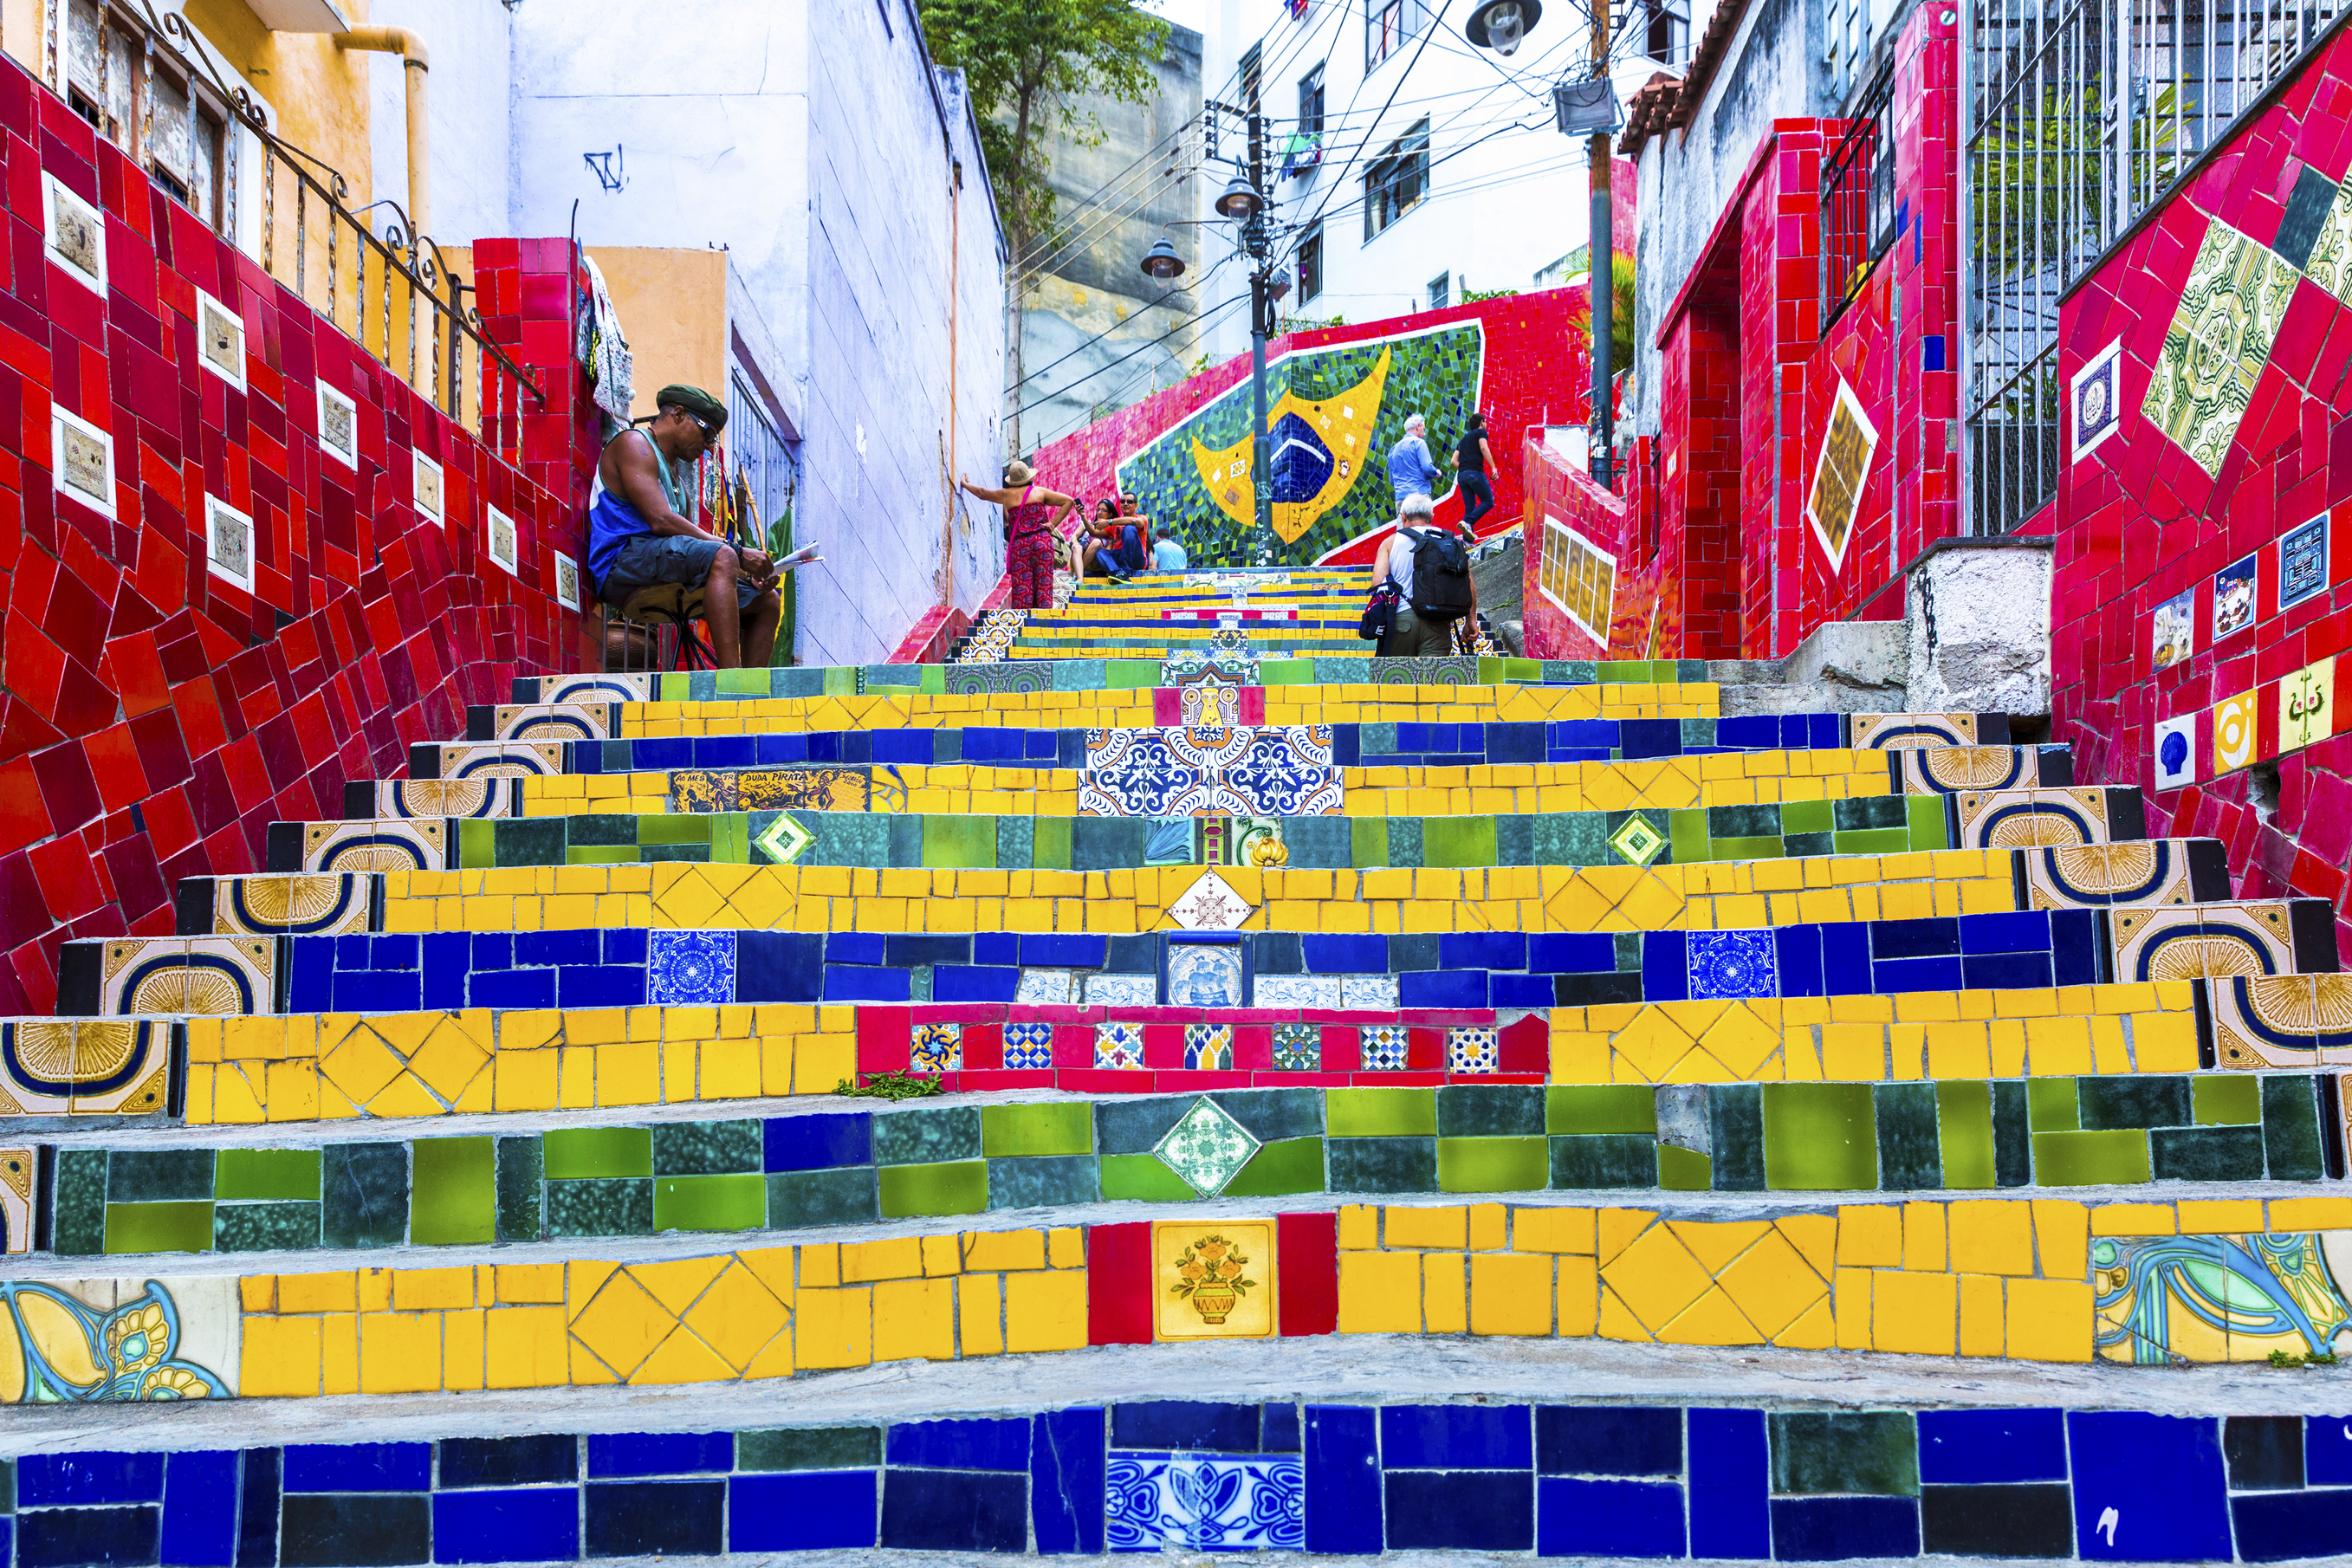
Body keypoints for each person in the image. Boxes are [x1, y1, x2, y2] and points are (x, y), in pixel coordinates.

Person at [589, 384, 781, 668]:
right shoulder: (635, 444)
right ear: (678, 415)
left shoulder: (679, 483)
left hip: (656, 564)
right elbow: (661, 520)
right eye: (708, 433)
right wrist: (737, 554)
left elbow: (694, 549)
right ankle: (732, 683)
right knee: (725, 554)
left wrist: (743, 575)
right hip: (620, 565)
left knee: (768, 601)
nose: (708, 445)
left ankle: (753, 690)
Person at [1369, 494, 1475, 657]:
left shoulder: (1390, 543)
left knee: (1399, 679)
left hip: (1401, 621)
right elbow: (1468, 583)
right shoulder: (1450, 541)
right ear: (1432, 516)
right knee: (1433, 681)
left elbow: (1378, 585)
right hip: (1438, 622)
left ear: (1403, 517)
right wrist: (1471, 621)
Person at [962, 461, 1076, 609]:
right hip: (1042, 543)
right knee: (1044, 586)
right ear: (1028, 476)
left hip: (1020, 547)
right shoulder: (1039, 492)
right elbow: (1068, 501)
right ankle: (1044, 625)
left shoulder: (1005, 495)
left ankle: (1024, 627)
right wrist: (1053, 524)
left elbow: (982, 493)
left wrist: (964, 484)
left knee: (1023, 591)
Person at [1388, 412, 1447, 507]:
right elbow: (1427, 468)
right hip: (1419, 496)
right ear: (1417, 426)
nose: (1424, 433)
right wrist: (1436, 473)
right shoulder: (1419, 443)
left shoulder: (1393, 450)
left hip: (1401, 500)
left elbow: (1392, 480)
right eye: (1423, 429)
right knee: (1421, 522)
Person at [1455, 411, 1496, 535]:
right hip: (1474, 472)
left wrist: (1465, 468)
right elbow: (1483, 447)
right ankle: (1467, 521)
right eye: (1485, 422)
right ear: (1482, 422)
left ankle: (1468, 543)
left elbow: (1453, 461)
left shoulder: (1463, 440)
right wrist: (1493, 467)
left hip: (1461, 475)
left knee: (1469, 508)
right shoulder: (1481, 432)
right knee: (1488, 501)